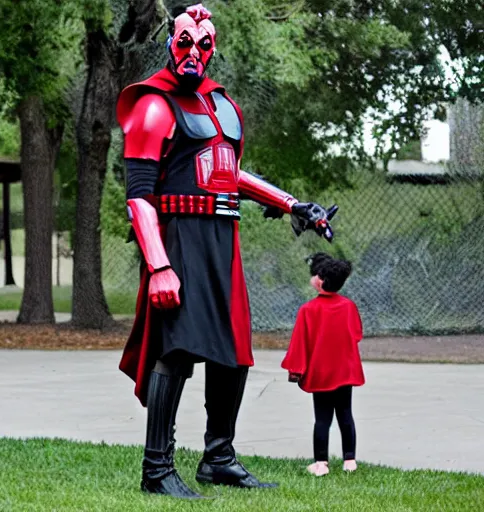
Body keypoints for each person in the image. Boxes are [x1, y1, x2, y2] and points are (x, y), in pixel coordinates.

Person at [116, 4, 336, 498]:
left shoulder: (221, 106)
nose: (193, 52)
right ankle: (157, 469)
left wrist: (292, 204)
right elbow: (139, 195)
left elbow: (226, 172)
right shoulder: (154, 105)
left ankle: (218, 458)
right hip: (180, 239)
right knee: (175, 349)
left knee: (234, 354)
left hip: (222, 238)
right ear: (169, 43)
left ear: (213, 47)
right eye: (184, 42)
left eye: (203, 44)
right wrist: (159, 266)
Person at [281, 253, 365, 477]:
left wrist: (295, 371)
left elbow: (300, 343)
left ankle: (321, 463)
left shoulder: (308, 310)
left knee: (322, 419)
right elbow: (356, 334)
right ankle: (350, 460)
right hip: (345, 372)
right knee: (345, 414)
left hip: (321, 373)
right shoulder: (349, 307)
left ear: (321, 281)